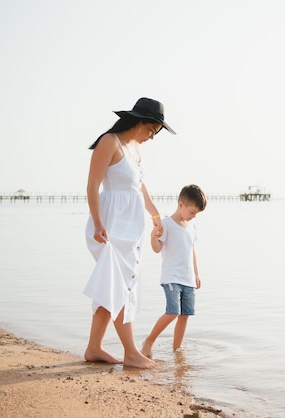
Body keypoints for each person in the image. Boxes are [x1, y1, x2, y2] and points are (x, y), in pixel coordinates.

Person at [83, 97, 175, 369]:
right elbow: (92, 185)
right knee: (120, 285)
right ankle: (132, 352)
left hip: (131, 227)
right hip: (110, 226)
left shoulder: (135, 149)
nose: (152, 137)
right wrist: (99, 223)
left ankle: (94, 348)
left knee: (116, 285)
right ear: (139, 122)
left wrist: (155, 214)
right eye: (151, 130)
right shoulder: (109, 142)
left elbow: (139, 186)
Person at [141, 184, 207, 358]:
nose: (194, 217)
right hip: (171, 277)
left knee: (185, 315)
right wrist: (153, 236)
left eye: (196, 214)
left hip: (188, 278)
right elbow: (157, 248)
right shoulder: (167, 224)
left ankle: (177, 350)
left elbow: (191, 250)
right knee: (173, 312)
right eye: (192, 212)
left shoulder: (191, 227)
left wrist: (197, 274)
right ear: (181, 205)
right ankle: (149, 341)